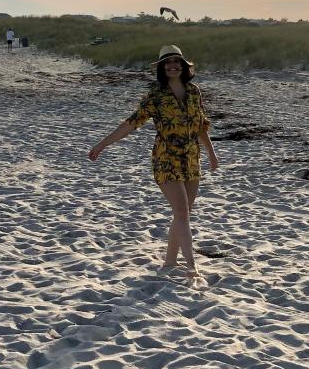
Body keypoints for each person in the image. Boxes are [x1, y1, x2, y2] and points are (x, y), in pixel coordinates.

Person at [88, 44, 219, 278]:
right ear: (161, 68)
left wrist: (211, 153)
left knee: (184, 213)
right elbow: (131, 123)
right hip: (165, 156)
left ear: (184, 66)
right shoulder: (155, 95)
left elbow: (201, 125)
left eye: (176, 62)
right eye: (167, 63)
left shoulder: (194, 92)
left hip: (191, 157)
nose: (172, 66)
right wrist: (102, 144)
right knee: (181, 210)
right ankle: (191, 265)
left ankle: (170, 262)